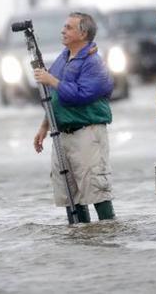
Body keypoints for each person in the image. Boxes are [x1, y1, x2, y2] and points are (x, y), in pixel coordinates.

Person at [33, 12, 115, 223]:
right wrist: (44, 126)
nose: (63, 30)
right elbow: (55, 98)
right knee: (69, 194)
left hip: (87, 132)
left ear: (83, 33)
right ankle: (79, 240)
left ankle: (108, 234)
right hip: (62, 134)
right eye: (64, 26)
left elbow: (79, 95)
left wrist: (51, 80)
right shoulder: (63, 57)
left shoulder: (94, 63)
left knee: (96, 190)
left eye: (69, 27)